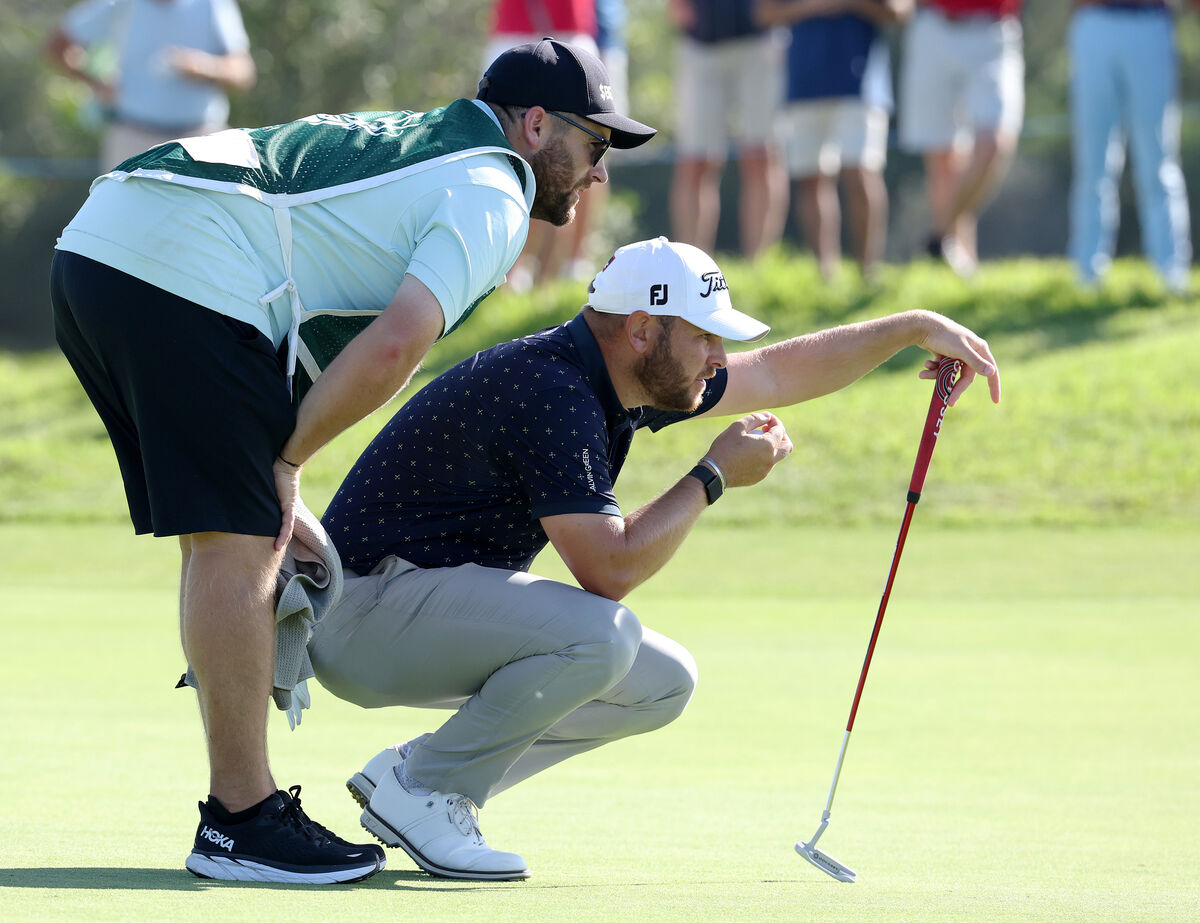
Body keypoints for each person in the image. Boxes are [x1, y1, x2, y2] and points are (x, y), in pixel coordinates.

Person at [48, 38, 655, 885]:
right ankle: (242, 821)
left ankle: (241, 814)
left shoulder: (437, 143)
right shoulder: (494, 191)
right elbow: (395, 345)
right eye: (593, 146)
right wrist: (289, 462)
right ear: (537, 125)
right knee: (241, 535)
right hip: (177, 263)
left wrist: (277, 467)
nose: (596, 175)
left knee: (227, 533)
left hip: (104, 245)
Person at [308, 237, 1002, 880]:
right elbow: (608, 570)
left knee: (662, 680)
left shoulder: (614, 376)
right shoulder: (555, 390)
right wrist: (713, 475)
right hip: (360, 615)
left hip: (407, 607)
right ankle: (427, 788)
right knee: (601, 635)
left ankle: (420, 771)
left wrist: (910, 326)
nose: (720, 357)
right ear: (642, 330)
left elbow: (778, 370)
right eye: (705, 336)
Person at [757, 0, 912, 282]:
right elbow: (765, 13)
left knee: (860, 174)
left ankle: (868, 273)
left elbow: (899, 12)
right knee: (811, 179)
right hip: (803, 82)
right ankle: (827, 276)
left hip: (860, 84)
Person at [1068, 0, 1194, 294]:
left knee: (1158, 159)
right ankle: (1087, 275)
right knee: (1092, 162)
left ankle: (1172, 275)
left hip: (1150, 22)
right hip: (1094, 20)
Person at [44, 0, 257, 170]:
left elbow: (243, 72)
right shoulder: (119, 4)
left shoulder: (211, 3)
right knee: (128, 222)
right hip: (133, 137)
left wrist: (205, 68)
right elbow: (57, 46)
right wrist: (97, 84)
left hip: (203, 138)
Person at [898, 0, 1024, 276]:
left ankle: (939, 235)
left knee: (994, 146)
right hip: (934, 24)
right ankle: (959, 262)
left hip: (993, 29)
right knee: (943, 158)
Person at [484, 0, 601, 289]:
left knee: (588, 149)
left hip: (570, 26)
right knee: (502, 153)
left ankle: (570, 267)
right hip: (514, 29)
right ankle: (506, 270)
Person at [668, 0, 789, 259]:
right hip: (700, 43)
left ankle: (759, 265)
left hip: (760, 40)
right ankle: (691, 266)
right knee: (696, 161)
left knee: (761, 155)